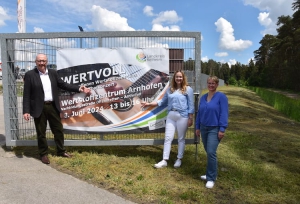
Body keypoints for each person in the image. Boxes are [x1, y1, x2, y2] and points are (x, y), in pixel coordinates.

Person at [23, 53, 91, 164]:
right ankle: (43, 154)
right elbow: (26, 94)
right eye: (39, 61)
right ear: (36, 62)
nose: (41, 63)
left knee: (58, 130)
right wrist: (26, 110)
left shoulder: (53, 73)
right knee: (41, 133)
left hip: (53, 106)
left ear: (47, 62)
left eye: (43, 61)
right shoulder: (30, 75)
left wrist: (79, 88)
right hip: (39, 107)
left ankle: (61, 151)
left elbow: (63, 85)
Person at [141, 70, 194, 168]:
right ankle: (164, 160)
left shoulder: (188, 89)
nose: (179, 78)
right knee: (168, 138)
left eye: (180, 77)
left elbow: (191, 105)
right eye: (177, 77)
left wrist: (190, 118)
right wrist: (149, 104)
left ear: (183, 78)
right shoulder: (170, 89)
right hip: (171, 116)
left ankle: (179, 159)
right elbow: (162, 101)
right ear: (174, 78)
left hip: (182, 116)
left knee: (181, 138)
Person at [195, 76, 228, 189]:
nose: (211, 85)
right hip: (204, 128)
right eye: (209, 83)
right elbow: (199, 113)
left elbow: (224, 113)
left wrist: (222, 129)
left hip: (215, 128)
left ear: (217, 84)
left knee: (211, 152)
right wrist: (197, 127)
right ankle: (210, 173)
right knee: (208, 152)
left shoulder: (221, 97)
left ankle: (211, 178)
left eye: (213, 83)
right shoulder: (203, 97)